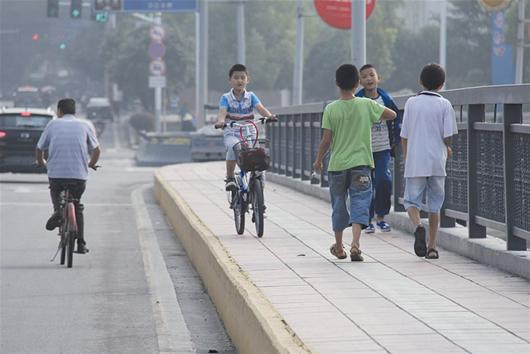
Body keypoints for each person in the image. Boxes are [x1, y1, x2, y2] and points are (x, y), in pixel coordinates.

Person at [313, 64, 396, 262]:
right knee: (360, 202)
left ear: (337, 84)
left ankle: (339, 247)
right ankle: (356, 244)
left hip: (338, 166)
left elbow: (326, 140)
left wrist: (318, 161)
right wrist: (374, 116)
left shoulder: (331, 109)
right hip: (361, 165)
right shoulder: (366, 105)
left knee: (339, 205)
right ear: (358, 82)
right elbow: (392, 114)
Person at [400, 63, 458, 260]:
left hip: (415, 160)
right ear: (442, 84)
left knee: (410, 201)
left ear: (420, 82)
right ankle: (432, 248)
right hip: (436, 161)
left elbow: (404, 135)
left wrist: (407, 156)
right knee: (435, 206)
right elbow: (448, 136)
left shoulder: (411, 103)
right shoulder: (445, 104)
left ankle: (418, 227)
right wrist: (447, 148)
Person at [36, 98, 101, 254]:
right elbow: (97, 150)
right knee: (77, 205)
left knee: (55, 189)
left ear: (59, 111)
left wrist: (40, 162)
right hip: (79, 177)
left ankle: (58, 212)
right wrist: (91, 164)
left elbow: (39, 148)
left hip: (56, 175)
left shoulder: (52, 124)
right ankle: (81, 244)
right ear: (74, 111)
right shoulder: (84, 125)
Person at [214, 64, 276, 191]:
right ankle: (230, 178)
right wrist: (221, 122)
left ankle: (257, 190)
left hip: (250, 132)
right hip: (232, 132)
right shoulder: (225, 98)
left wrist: (270, 116)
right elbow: (222, 113)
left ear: (248, 80)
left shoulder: (251, 96)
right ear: (230, 81)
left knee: (257, 154)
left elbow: (261, 108)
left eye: (243, 77)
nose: (240, 80)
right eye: (236, 77)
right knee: (233, 147)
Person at [357, 64, 402, 233]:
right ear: (360, 81)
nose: (369, 79)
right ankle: (367, 220)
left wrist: (395, 141)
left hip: (383, 148)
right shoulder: (358, 100)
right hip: (363, 150)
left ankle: (381, 217)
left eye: (371, 75)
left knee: (383, 180)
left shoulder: (386, 99)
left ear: (378, 78)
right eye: (364, 76)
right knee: (365, 184)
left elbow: (397, 120)